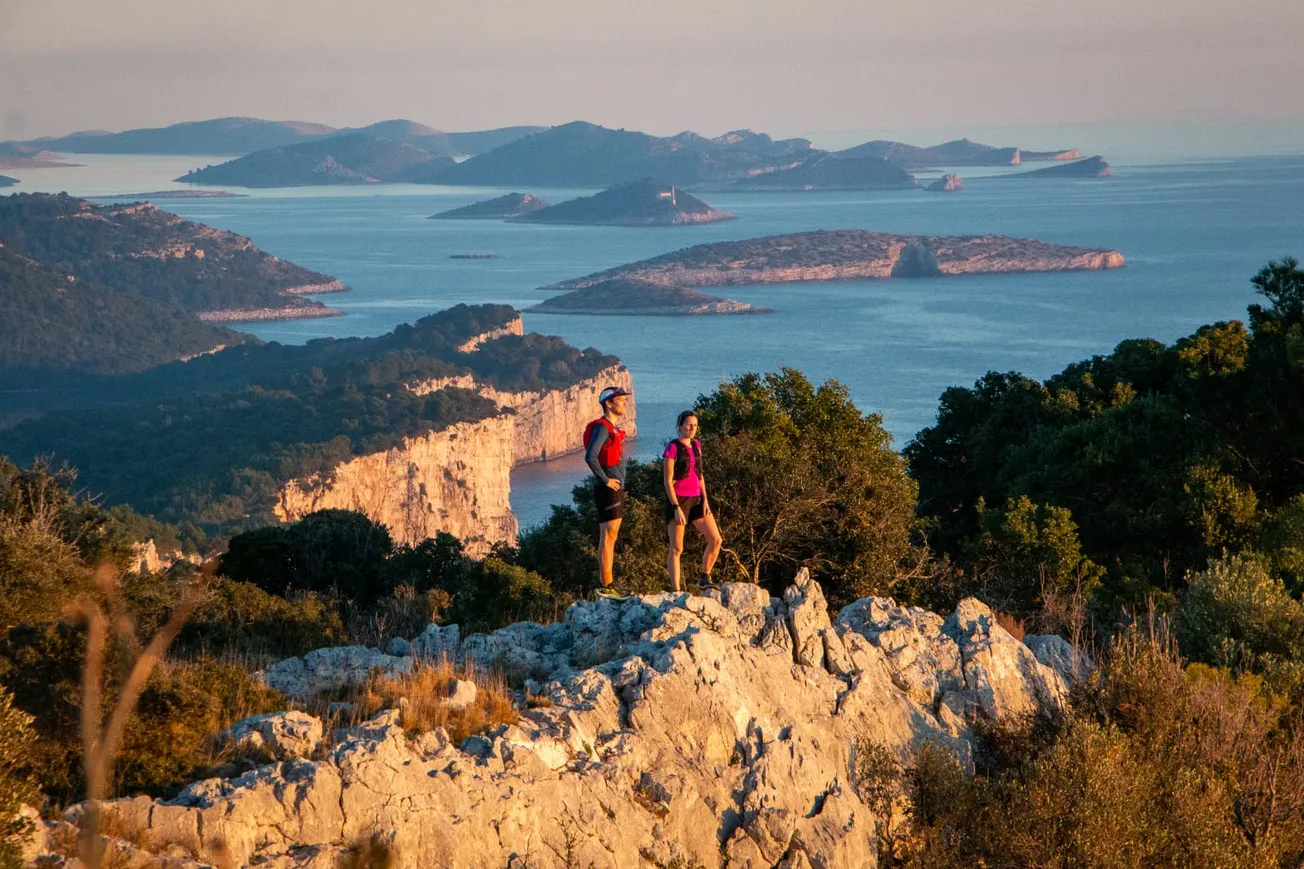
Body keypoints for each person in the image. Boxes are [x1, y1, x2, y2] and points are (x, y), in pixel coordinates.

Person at [662, 410, 723, 593]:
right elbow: (667, 481)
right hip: (679, 501)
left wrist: (705, 500)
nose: (692, 428)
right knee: (677, 548)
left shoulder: (696, 445)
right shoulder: (672, 448)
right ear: (679, 426)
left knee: (716, 539)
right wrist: (676, 508)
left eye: (695, 425)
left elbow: (700, 475)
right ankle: (676, 591)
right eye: (688, 425)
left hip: (697, 499)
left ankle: (705, 576)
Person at [584, 385, 631, 598]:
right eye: (619, 400)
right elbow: (590, 456)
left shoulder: (612, 428)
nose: (624, 403)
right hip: (608, 490)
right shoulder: (603, 427)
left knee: (611, 536)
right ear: (609, 404)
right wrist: (605, 480)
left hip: (615, 489)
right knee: (608, 536)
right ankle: (606, 585)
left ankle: (607, 585)